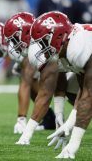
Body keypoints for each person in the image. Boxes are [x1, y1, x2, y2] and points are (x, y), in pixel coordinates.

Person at [22, 11, 86, 159]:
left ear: (59, 36)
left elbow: (87, 94)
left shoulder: (78, 49)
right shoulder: (69, 46)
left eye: (44, 41)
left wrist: (72, 136)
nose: (43, 48)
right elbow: (80, 89)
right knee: (74, 90)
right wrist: (61, 118)